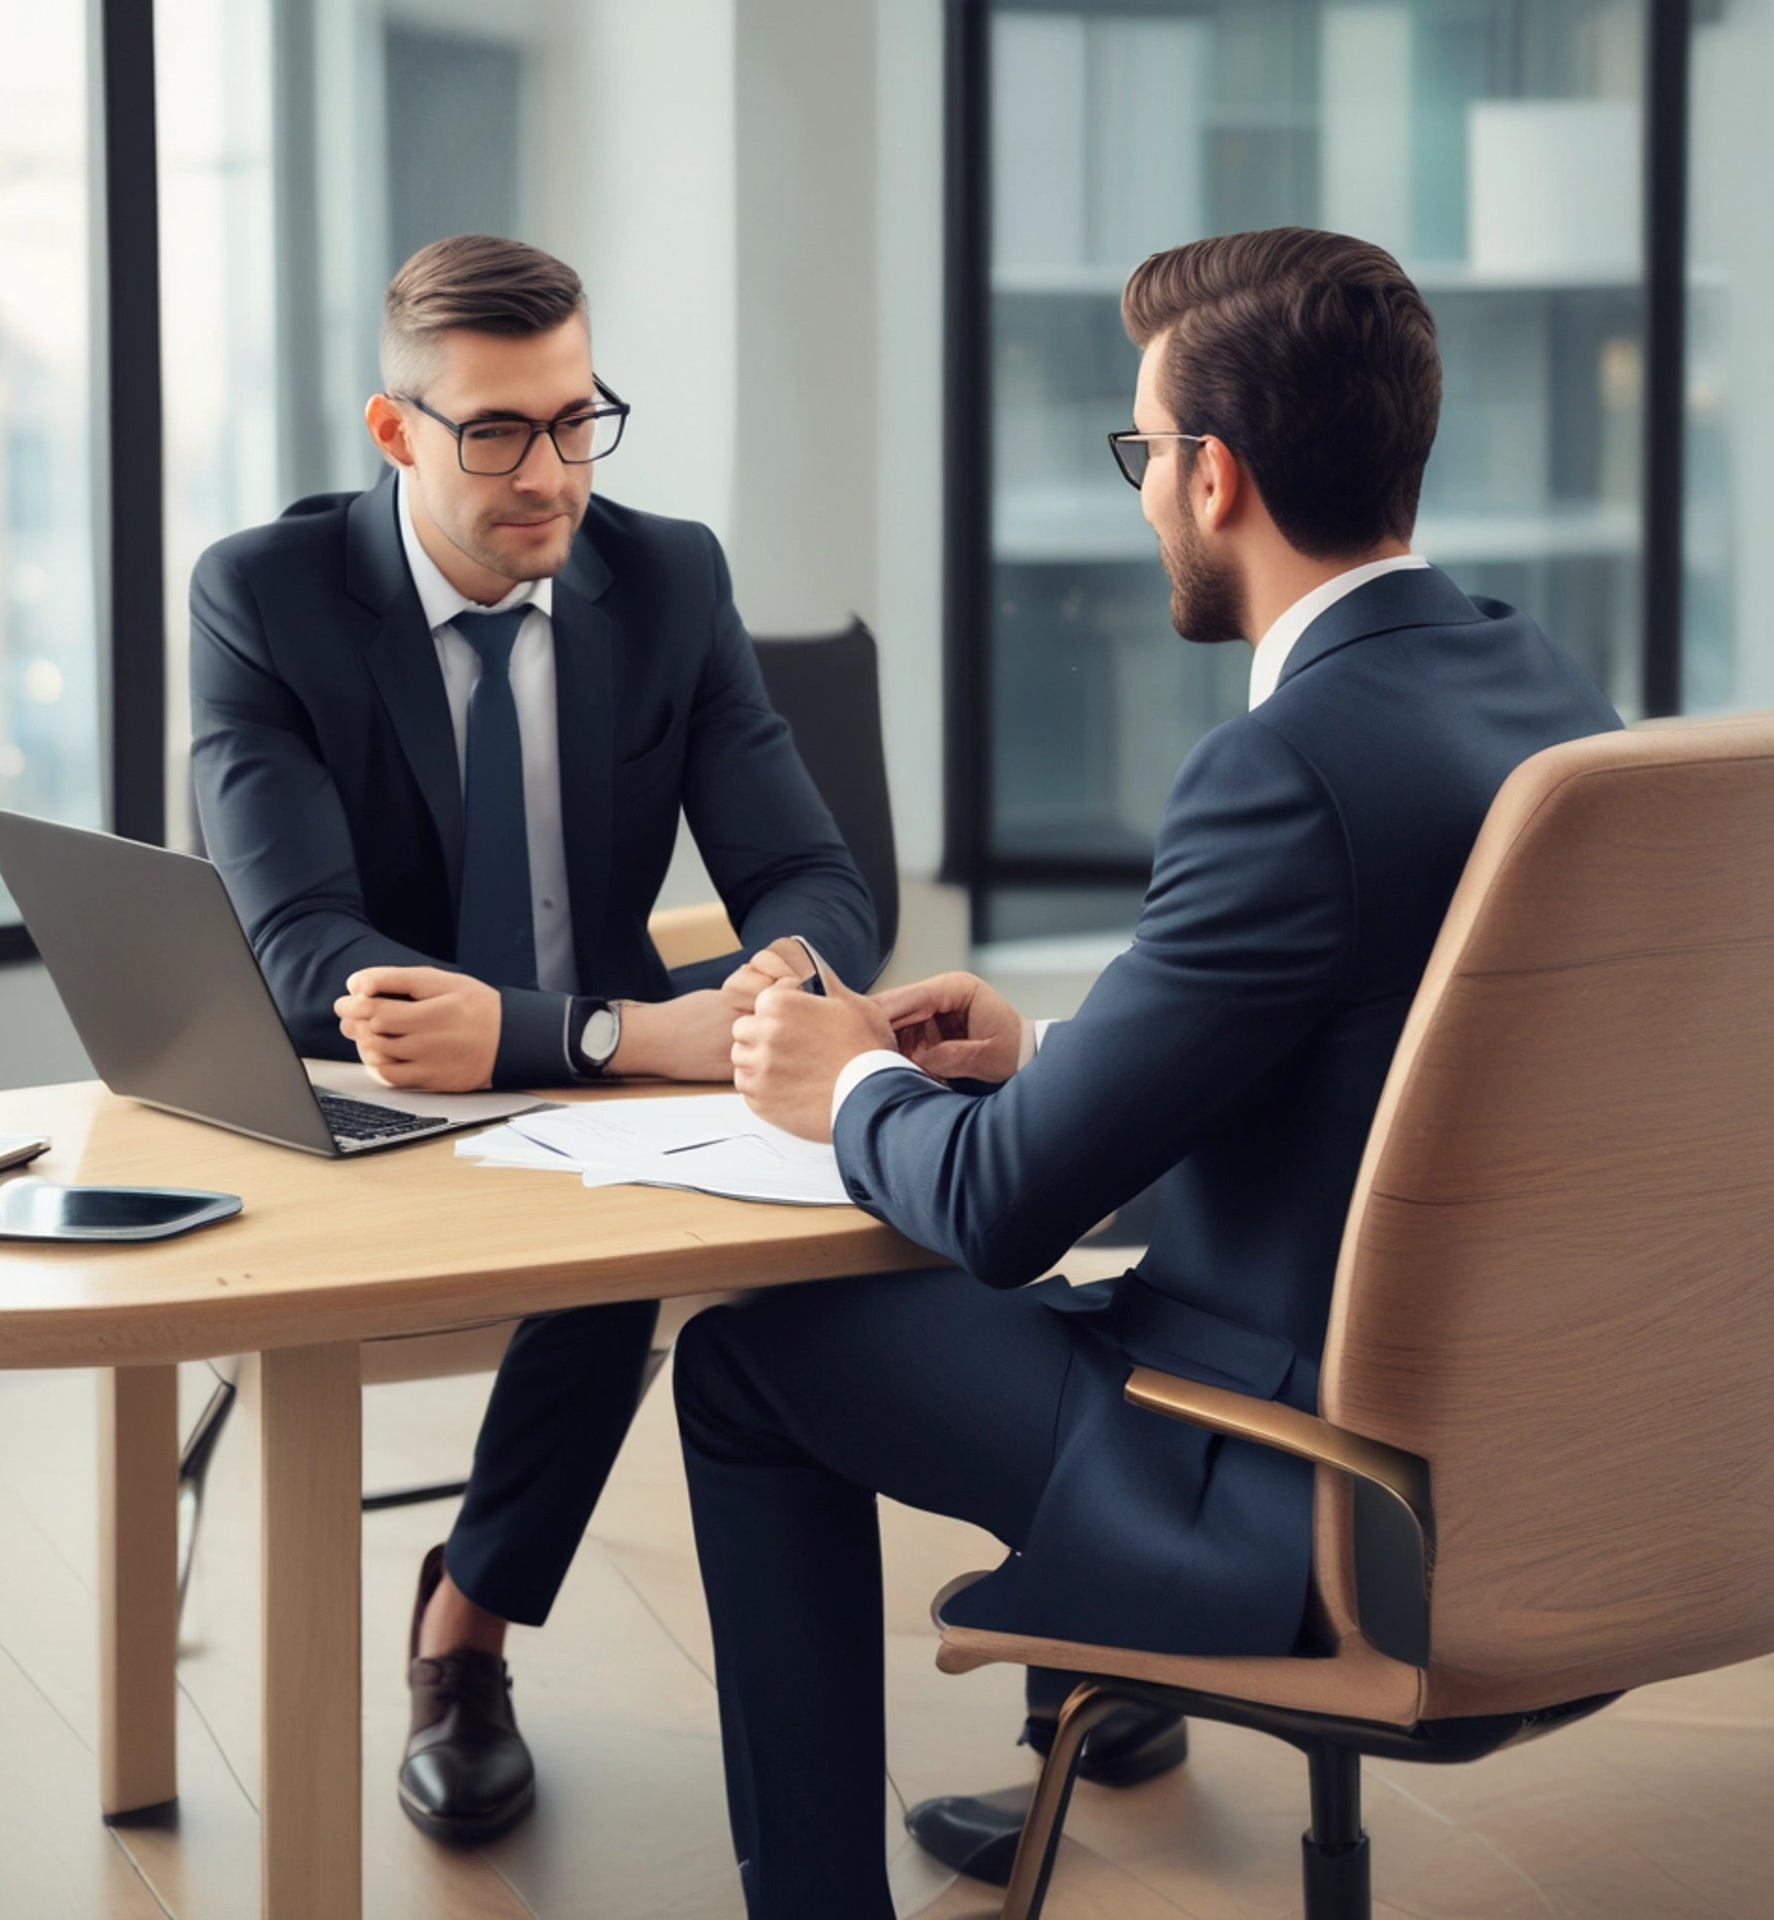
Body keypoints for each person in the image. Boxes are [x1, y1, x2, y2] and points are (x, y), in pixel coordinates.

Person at [675, 227, 1623, 1919]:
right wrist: (1046, 1049)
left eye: (1138, 452)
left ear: (1214, 477)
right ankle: (1097, 1732)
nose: (1136, 495)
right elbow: (1376, 1056)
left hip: (1308, 1482)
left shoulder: (1278, 769)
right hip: (1553, 1465)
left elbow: (1002, 1211)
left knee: (750, 1368)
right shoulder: (1541, 689)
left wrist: (846, 1084)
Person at [189, 234, 879, 1844]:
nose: (549, 474)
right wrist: (620, 1035)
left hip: (614, 1101)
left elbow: (816, 879)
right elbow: (300, 954)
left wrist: (768, 989)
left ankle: (465, 1626)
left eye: (577, 420)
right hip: (383, 1091)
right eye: (496, 430)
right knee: (619, 1185)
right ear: (393, 431)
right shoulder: (265, 597)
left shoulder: (669, 577)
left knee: (627, 1229)